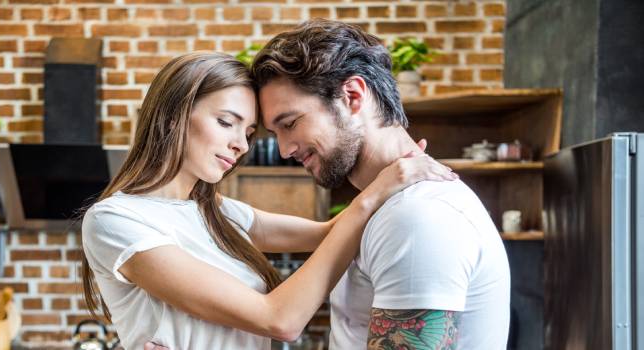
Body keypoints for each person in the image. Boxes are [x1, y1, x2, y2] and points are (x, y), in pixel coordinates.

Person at [80, 52, 457, 349]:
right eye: (226, 122)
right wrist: (375, 193)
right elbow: (280, 319)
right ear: (173, 115)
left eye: (248, 132)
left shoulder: (217, 213)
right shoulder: (117, 220)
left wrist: (395, 178)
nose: (241, 146)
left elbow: (328, 234)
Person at [251, 19, 511, 349]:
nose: (286, 149)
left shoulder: (417, 217)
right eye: (276, 134)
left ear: (352, 96)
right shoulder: (387, 207)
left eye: (290, 124)